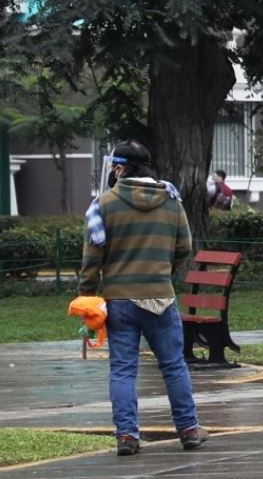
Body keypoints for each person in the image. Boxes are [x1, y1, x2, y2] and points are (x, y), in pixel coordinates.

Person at [81, 141, 208, 457]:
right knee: (174, 366)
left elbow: (92, 258)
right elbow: (184, 248)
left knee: (123, 370)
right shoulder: (171, 200)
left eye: (114, 166)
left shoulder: (104, 204)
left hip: (119, 301)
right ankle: (189, 429)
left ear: (122, 168)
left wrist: (86, 295)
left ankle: (126, 436)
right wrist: (162, 272)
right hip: (161, 298)